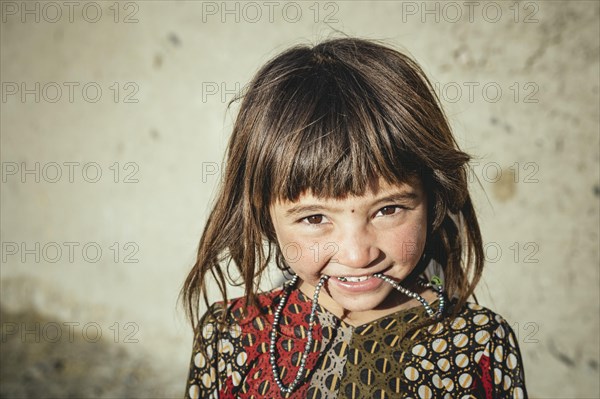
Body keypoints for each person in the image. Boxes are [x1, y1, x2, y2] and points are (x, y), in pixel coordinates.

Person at [181, 37, 528, 399]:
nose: (357, 255)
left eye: (388, 210)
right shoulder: (233, 335)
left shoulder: (474, 347)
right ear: (263, 216)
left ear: (433, 199)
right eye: (315, 218)